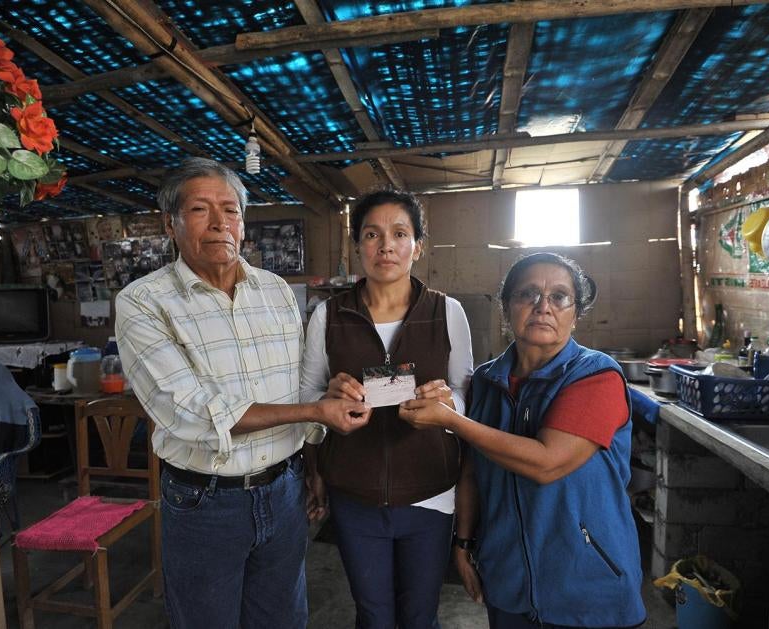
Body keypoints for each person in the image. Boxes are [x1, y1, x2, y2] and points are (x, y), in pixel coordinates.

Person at [115, 157, 370, 629]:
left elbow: (298, 388)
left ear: (244, 222)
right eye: (199, 210)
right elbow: (188, 413)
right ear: (170, 224)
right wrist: (315, 407)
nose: (219, 223)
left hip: (285, 490)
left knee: (283, 621)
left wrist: (321, 417)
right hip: (205, 504)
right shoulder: (143, 303)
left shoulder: (275, 291)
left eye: (230, 210)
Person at [398, 252, 646, 629]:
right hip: (508, 581)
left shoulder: (597, 378)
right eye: (527, 294)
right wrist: (463, 543)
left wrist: (454, 421)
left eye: (559, 297)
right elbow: (471, 470)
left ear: (575, 313)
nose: (543, 306)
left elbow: (547, 462)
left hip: (587, 584)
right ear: (507, 308)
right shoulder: (486, 380)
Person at [300, 189, 474, 629]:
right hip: (354, 495)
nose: (386, 246)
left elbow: (465, 395)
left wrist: (447, 402)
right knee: (374, 616)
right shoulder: (328, 316)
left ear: (418, 246)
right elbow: (306, 403)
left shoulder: (447, 313)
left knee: (419, 616)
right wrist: (327, 403)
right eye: (372, 234)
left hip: (431, 493)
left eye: (400, 233)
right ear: (357, 246)